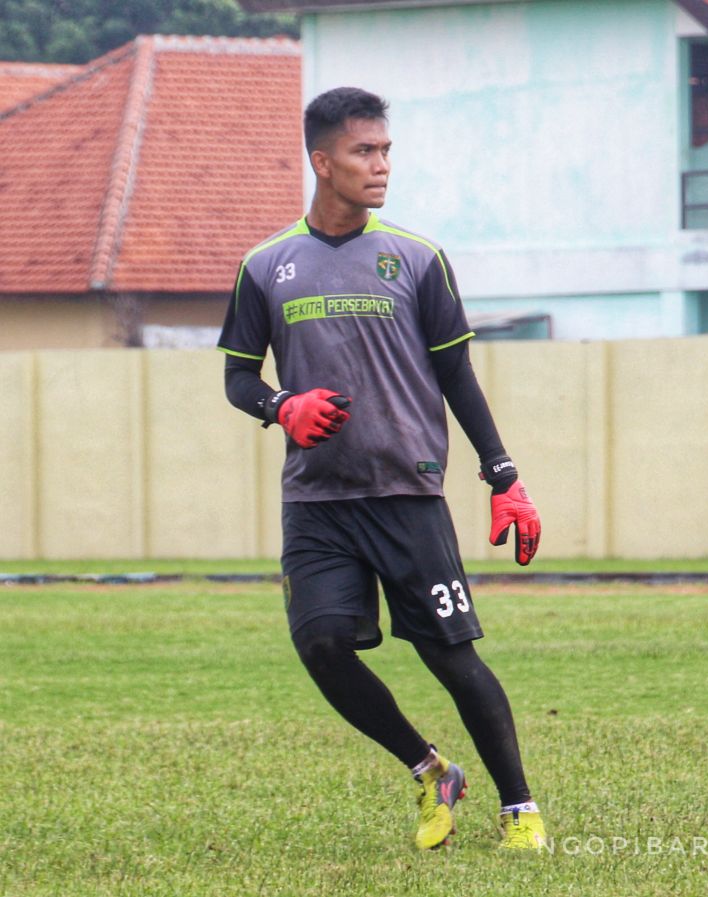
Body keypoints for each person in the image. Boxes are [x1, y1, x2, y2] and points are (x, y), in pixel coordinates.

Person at [217, 86, 549, 848]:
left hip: (407, 492)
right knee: (323, 644)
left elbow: (457, 378)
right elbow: (238, 379)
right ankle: (431, 770)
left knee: (452, 658)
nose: (381, 165)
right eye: (365, 151)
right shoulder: (265, 266)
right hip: (318, 502)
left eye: (386, 150)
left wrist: (505, 478)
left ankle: (520, 808)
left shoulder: (419, 258)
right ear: (322, 161)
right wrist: (281, 407)